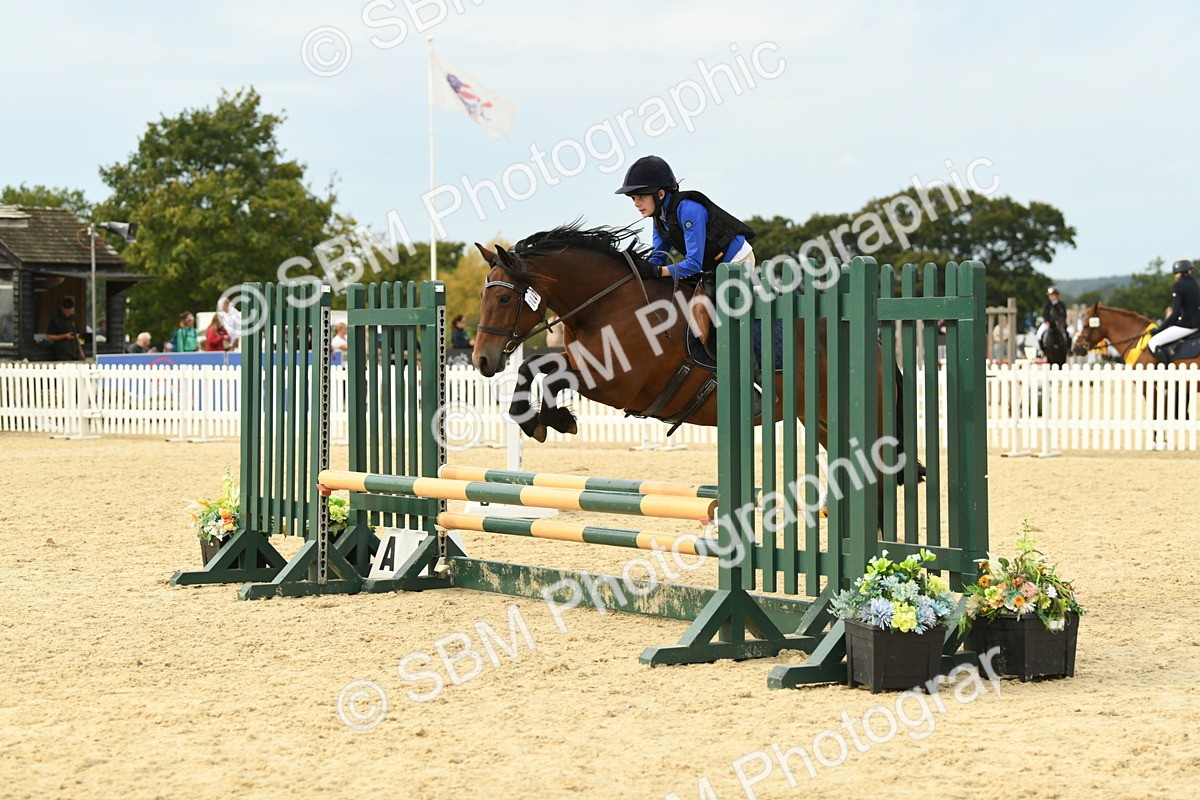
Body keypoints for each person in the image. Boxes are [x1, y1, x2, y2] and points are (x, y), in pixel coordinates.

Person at [614, 155, 756, 280]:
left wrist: (656, 271)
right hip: (713, 265)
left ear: (661, 194)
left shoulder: (689, 210)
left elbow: (694, 263)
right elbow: (658, 258)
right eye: (633, 198)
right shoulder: (659, 219)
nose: (636, 204)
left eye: (642, 196)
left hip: (738, 259)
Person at [1148, 259, 1200, 361]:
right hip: (1197, 323)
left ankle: (1166, 372)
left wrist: (1160, 328)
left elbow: (1175, 313)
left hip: (1188, 325)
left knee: (1154, 342)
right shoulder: (1194, 283)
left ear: (1177, 273)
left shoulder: (1178, 285)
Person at [45, 296, 84, 361]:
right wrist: (65, 336)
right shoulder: (55, 320)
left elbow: (76, 336)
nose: (68, 313)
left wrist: (81, 351)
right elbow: (49, 337)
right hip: (63, 355)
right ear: (62, 308)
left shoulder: (72, 319)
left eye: (70, 311)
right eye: (67, 311)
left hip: (75, 353)